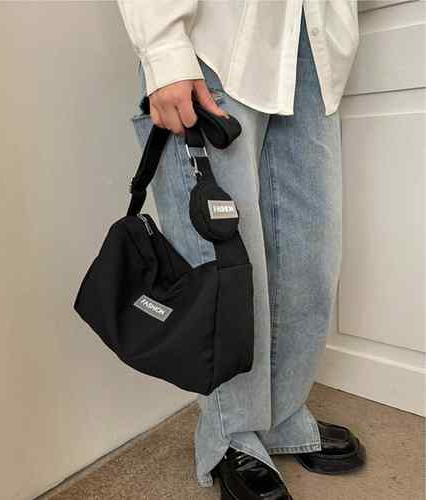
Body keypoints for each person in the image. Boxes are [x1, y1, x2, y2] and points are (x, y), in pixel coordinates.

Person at [117, 2, 366, 499]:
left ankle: (280, 414)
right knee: (221, 262)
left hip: (311, 39)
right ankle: (231, 432)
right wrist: (164, 49)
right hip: (216, 37)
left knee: (309, 254)